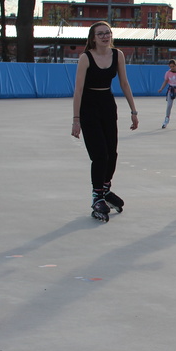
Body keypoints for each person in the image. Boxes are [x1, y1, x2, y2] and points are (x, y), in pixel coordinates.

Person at [71, 21, 139, 222]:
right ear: (93, 38)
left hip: (107, 105)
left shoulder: (118, 55)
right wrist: (76, 119)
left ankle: (106, 189)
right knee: (100, 154)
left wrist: (133, 111)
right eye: (100, 34)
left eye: (107, 33)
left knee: (112, 153)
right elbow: (78, 90)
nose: (105, 36)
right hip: (89, 107)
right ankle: (97, 196)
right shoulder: (86, 58)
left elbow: (124, 83)